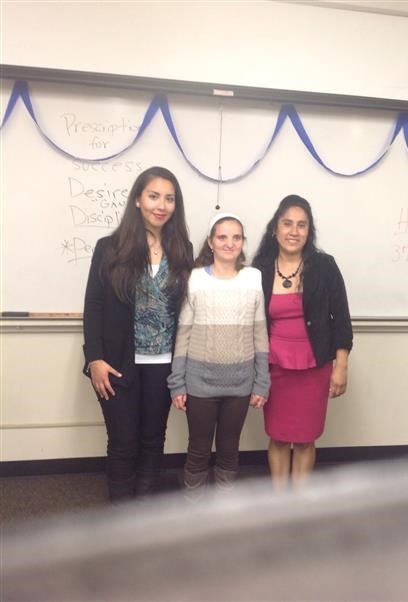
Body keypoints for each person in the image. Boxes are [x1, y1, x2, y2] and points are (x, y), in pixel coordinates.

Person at [83, 166, 193, 501]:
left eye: (170, 198)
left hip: (164, 364)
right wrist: (95, 359)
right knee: (123, 441)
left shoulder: (182, 249)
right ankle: (120, 516)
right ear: (137, 200)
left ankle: (142, 514)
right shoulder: (109, 247)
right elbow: (94, 305)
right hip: (117, 364)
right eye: (154, 196)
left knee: (152, 439)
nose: (162, 205)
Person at [252, 195, 353, 490]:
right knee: (279, 436)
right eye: (287, 224)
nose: (294, 231)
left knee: (306, 438)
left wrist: (341, 366)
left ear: (309, 231)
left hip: (314, 367)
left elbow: (342, 320)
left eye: (302, 225)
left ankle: (300, 501)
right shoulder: (259, 269)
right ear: (275, 229)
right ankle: (280, 499)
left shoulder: (324, 266)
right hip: (274, 368)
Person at [168, 213, 270, 500]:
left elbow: (260, 334)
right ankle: (194, 504)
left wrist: (262, 383)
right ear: (211, 242)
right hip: (200, 384)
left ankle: (224, 506)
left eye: (236, 237)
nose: (229, 243)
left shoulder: (253, 277)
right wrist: (177, 383)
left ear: (243, 242)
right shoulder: (195, 279)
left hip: (240, 385)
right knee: (198, 449)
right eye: (222, 237)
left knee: (229, 448)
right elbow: (183, 334)